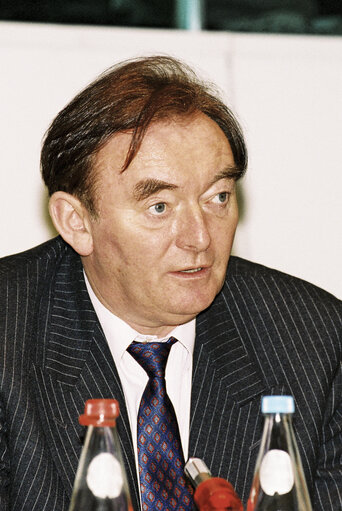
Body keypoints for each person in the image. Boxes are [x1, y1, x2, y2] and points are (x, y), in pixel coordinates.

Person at [0, 55, 341, 511]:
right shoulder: (8, 336)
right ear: (76, 221)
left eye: (218, 197)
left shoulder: (313, 340)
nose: (200, 238)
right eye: (159, 207)